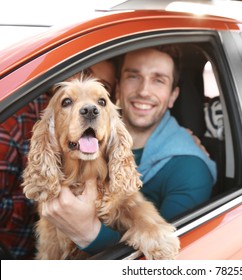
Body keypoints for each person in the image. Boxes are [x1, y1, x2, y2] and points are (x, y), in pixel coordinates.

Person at [35, 45, 217, 257]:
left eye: (159, 80)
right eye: (133, 76)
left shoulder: (190, 168)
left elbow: (173, 260)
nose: (143, 91)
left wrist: (88, 233)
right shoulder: (86, 142)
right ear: (118, 88)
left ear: (172, 96)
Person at [0, 59, 117, 259]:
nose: (88, 104)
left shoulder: (110, 140)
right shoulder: (17, 122)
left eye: (102, 89)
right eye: (82, 76)